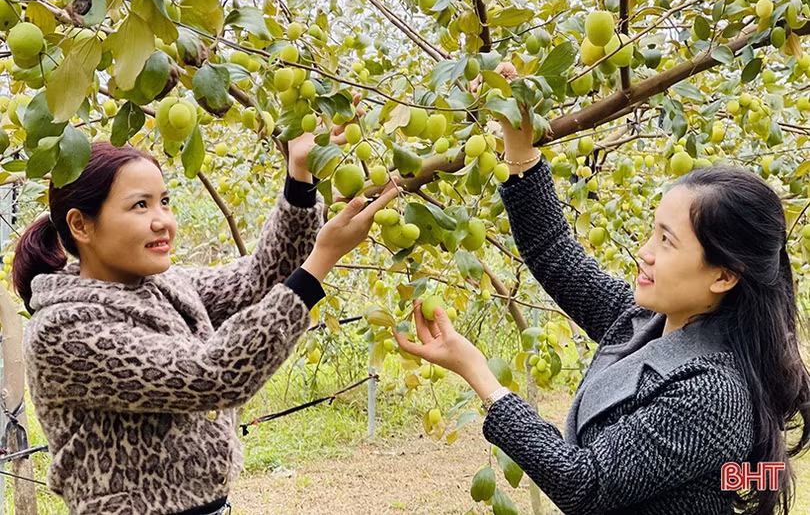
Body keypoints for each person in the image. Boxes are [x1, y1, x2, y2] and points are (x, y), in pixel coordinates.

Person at [394, 81, 810, 513]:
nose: (644, 253)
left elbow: (585, 485)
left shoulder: (713, 394)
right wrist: (519, 145)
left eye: (666, 242)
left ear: (724, 275)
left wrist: (478, 373)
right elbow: (554, 252)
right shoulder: (642, 323)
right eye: (652, 232)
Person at [13, 127, 400, 514]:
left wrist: (300, 179)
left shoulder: (166, 285)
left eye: (164, 202)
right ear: (81, 225)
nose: (163, 220)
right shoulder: (63, 330)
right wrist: (319, 263)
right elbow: (214, 375)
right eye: (140, 206)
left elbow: (258, 280)